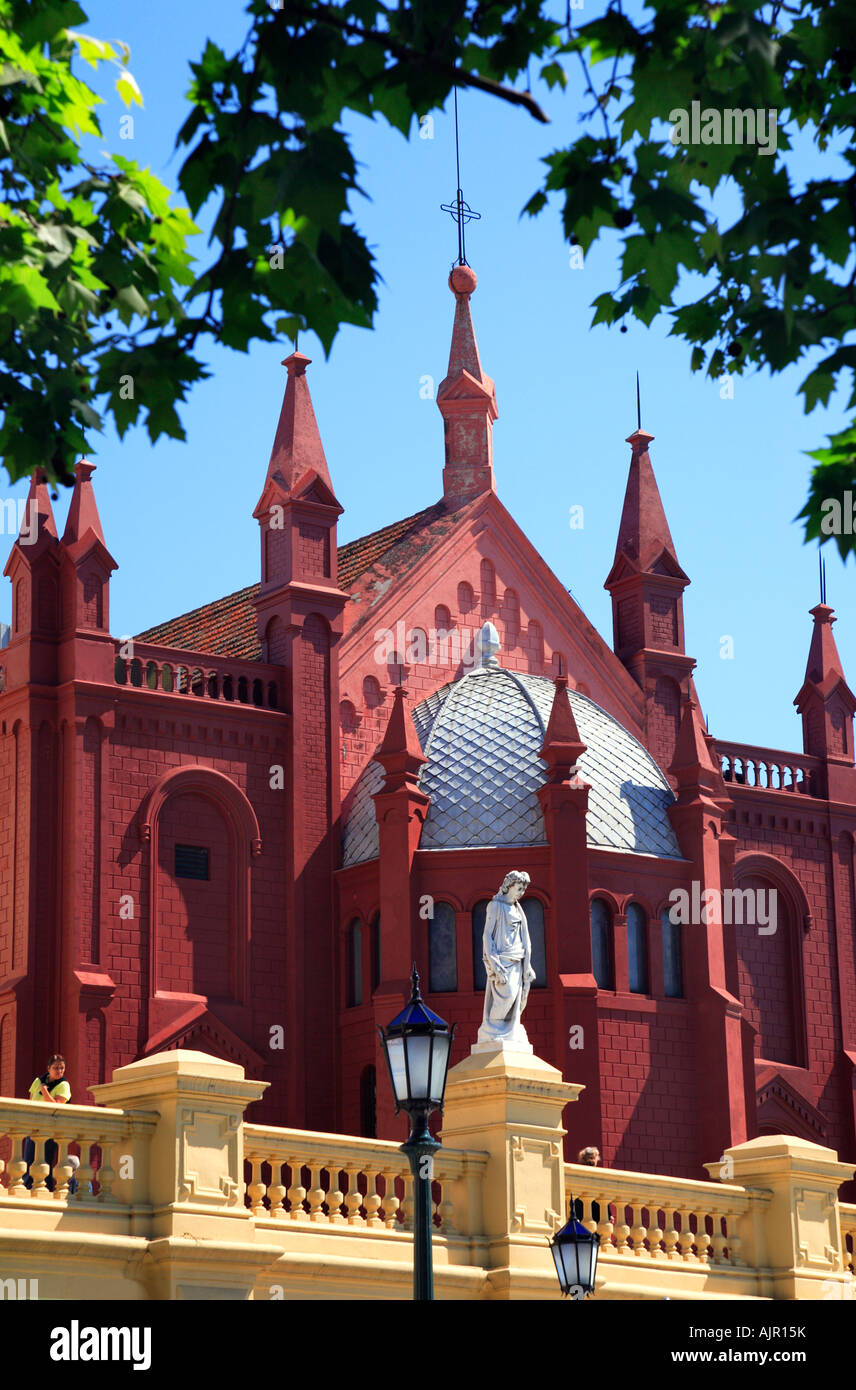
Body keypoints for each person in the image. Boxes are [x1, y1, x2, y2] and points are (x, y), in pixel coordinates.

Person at [476, 870, 536, 1050]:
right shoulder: (495, 906)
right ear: (509, 886)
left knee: (517, 1000)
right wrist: (495, 964)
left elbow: (525, 938)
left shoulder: (518, 908)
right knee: (506, 996)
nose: (521, 893)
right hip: (502, 961)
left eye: (523, 890)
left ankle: (510, 1030)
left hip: (518, 960)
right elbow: (487, 936)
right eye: (518, 888)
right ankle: (492, 1030)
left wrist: (528, 964)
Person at [23, 1055, 79, 1193]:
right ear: (48, 1068)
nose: (59, 1071)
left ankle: (44, 1193)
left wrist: (44, 1091)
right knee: (28, 1161)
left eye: (62, 1068)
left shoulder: (64, 1085)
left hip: (50, 1129)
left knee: (44, 1162)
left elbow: (56, 1107)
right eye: (56, 1068)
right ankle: (27, 1190)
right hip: (33, 1127)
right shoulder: (37, 1081)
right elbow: (31, 1102)